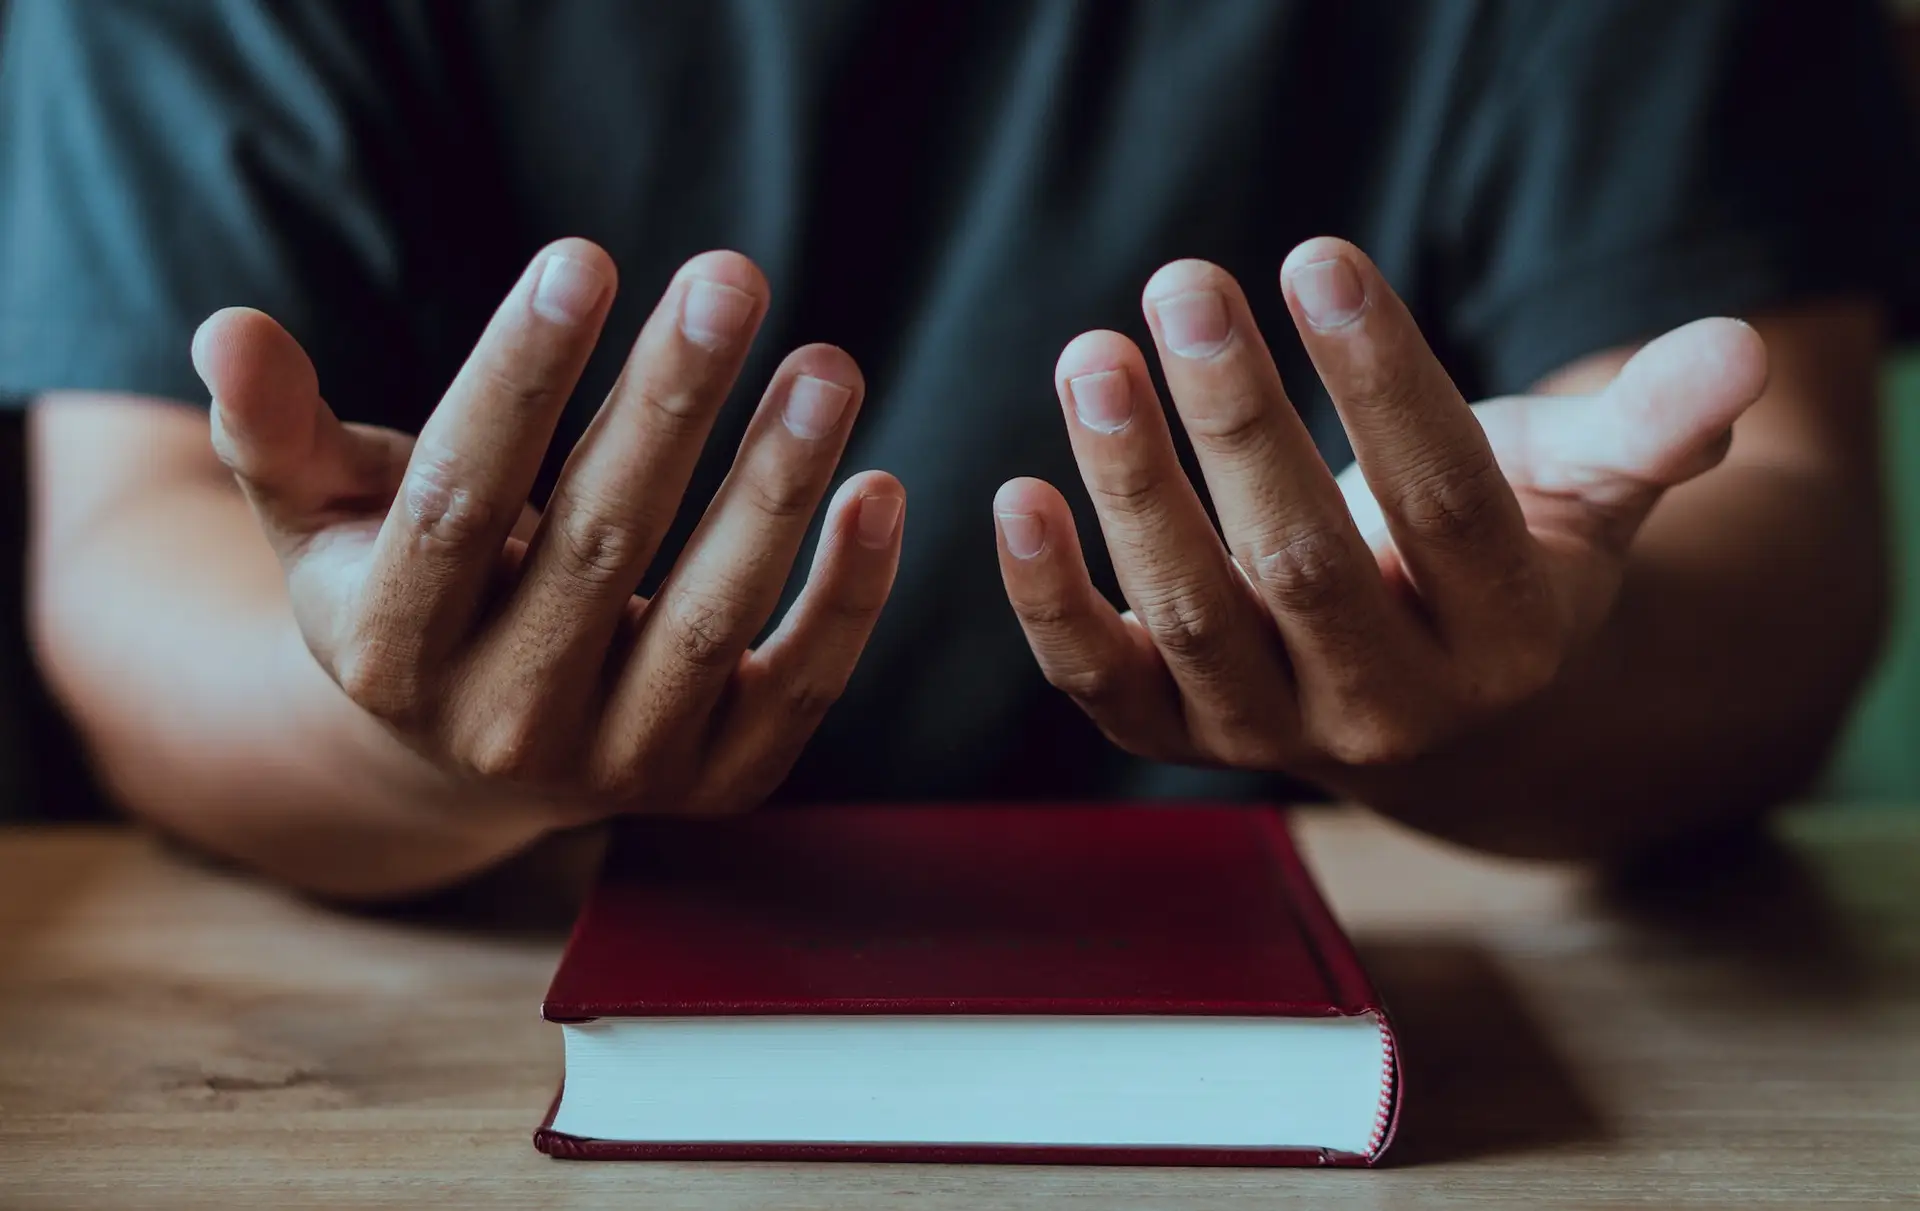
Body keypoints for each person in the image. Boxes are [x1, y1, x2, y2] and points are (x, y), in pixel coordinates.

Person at [1, 1, 1915, 901]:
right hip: (470, 1028)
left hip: (1401, 1039)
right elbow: (134, 547)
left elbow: (1783, 539)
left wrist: (1500, 659)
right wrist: (396, 716)